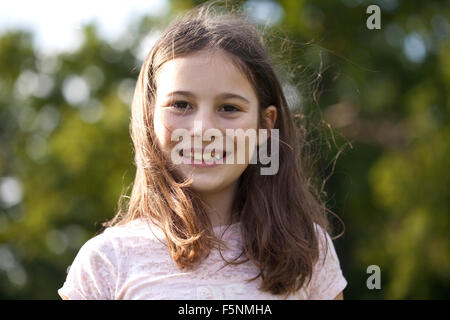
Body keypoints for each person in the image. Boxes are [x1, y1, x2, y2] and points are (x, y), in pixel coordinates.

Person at [58, 1, 347, 300]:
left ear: (264, 125)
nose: (203, 129)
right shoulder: (105, 262)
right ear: (149, 117)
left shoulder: (309, 250)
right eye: (181, 104)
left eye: (229, 108)